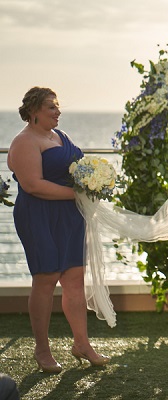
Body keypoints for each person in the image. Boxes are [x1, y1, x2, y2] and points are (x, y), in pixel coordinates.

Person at [7, 87, 110, 373]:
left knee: (75, 279)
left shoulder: (60, 137)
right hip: (38, 215)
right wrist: (78, 195)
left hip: (69, 216)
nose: (58, 111)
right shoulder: (24, 142)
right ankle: (42, 350)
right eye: (52, 107)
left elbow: (77, 169)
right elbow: (33, 185)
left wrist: (93, 182)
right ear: (34, 111)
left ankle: (82, 344)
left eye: (57, 106)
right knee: (46, 277)